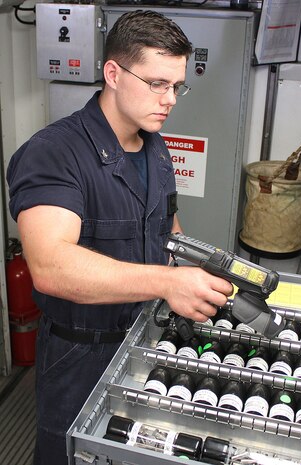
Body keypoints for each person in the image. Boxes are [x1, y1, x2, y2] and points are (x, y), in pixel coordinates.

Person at [7, 10, 232, 465]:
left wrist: (202, 271)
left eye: (177, 86)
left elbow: (170, 234)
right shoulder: (54, 153)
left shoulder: (156, 147)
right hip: (79, 356)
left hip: (143, 343)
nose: (170, 100)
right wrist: (167, 284)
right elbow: (51, 266)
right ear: (113, 72)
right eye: (156, 84)